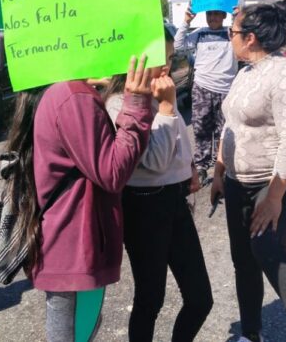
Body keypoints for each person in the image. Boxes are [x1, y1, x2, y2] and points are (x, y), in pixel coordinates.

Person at [3, 54, 159, 341]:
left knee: (79, 332)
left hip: (68, 245)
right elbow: (113, 172)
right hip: (76, 246)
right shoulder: (74, 96)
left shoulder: (63, 91)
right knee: (77, 334)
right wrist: (137, 103)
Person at [211, 0, 286, 342]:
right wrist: (219, 171)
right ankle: (251, 334)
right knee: (243, 261)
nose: (229, 38)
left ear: (250, 38)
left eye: (233, 32)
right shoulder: (244, 73)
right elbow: (230, 125)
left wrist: (275, 197)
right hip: (237, 183)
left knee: (266, 248)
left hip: (277, 182)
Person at [103, 29, 212, 341]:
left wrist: (189, 167)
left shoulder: (161, 93)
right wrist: (165, 108)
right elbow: (155, 161)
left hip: (175, 199)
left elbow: (178, 142)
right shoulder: (119, 103)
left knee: (200, 298)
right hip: (143, 205)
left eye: (170, 58)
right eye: (158, 58)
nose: (166, 66)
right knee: (150, 299)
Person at [175, 7, 238, 185]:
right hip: (202, 88)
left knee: (223, 132)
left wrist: (238, 18)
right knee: (201, 129)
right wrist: (186, 21)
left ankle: (222, 167)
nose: (213, 17)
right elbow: (178, 46)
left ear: (224, 15)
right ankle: (201, 167)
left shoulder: (232, 33)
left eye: (217, 13)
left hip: (226, 90)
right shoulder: (200, 33)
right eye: (209, 14)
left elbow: (247, 42)